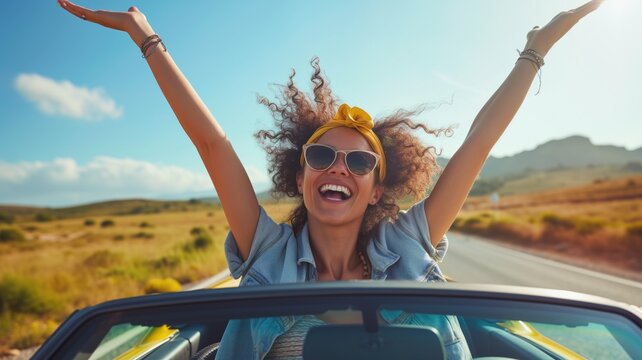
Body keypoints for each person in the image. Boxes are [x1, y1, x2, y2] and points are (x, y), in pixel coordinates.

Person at [58, 1, 604, 358]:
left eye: (360, 163)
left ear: (377, 189)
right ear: (300, 177)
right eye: (322, 157)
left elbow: (477, 144)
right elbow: (213, 145)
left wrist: (538, 48)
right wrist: (145, 35)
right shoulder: (267, 253)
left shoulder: (409, 245)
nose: (339, 168)